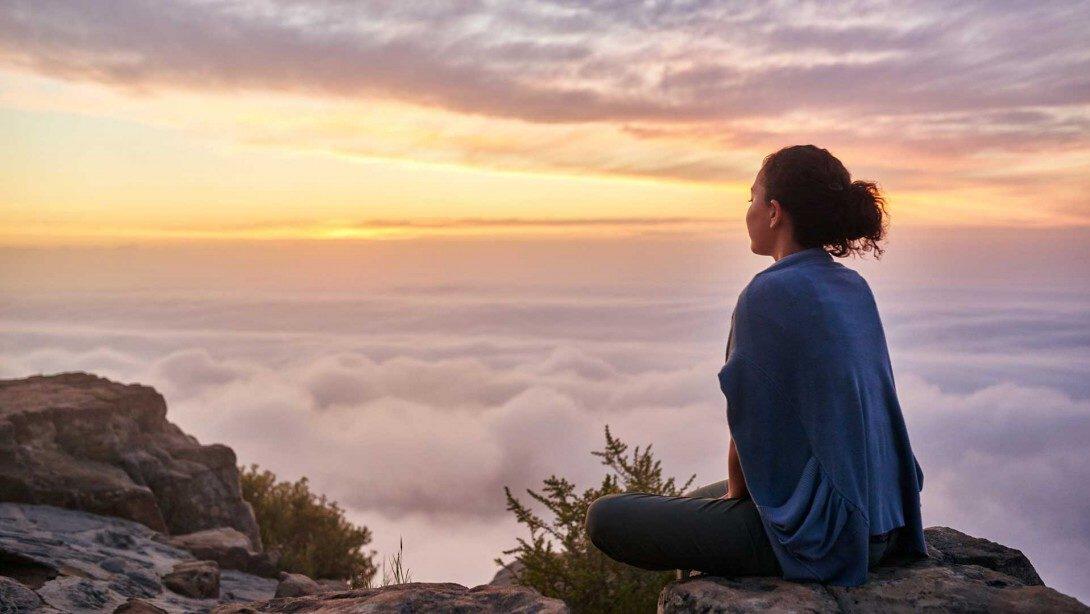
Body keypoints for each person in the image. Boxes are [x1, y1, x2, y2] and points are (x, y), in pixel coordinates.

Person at [584, 145, 928, 587]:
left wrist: (736, 500)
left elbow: (750, 432)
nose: (747, 210)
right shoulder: (852, 286)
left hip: (831, 537)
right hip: (885, 518)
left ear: (774, 212)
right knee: (690, 502)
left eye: (751, 198)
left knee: (607, 517)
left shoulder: (767, 294)